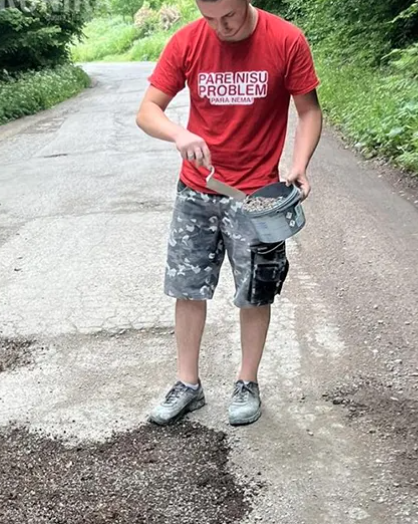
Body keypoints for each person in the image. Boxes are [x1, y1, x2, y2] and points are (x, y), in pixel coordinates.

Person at [135, 0, 323, 426]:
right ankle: (187, 384)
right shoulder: (187, 41)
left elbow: (308, 110)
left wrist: (299, 163)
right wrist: (179, 134)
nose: (220, 27)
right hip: (196, 190)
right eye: (209, 18)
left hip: (257, 197)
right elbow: (147, 111)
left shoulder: (286, 39)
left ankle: (247, 382)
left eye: (229, 17)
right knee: (187, 287)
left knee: (255, 290)